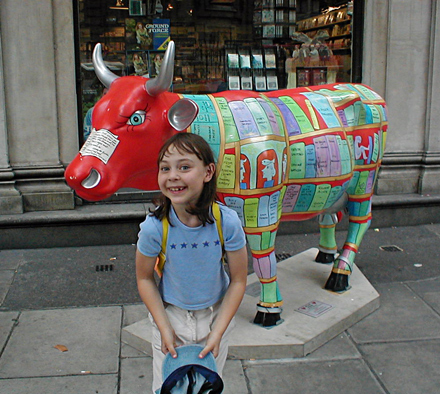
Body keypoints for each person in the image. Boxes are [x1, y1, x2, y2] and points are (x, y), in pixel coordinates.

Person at [135, 133, 248, 393]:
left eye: (184, 167)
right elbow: (144, 278)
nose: (172, 175)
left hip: (216, 316)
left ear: (208, 172)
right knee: (167, 386)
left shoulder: (226, 222)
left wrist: (218, 332)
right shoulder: (154, 227)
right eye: (165, 168)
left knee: (207, 385)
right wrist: (164, 328)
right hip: (171, 318)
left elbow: (239, 280)